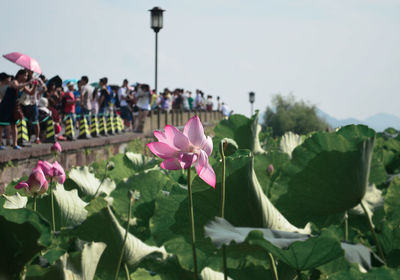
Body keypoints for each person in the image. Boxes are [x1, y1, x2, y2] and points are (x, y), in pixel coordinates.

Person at [0, 69, 34, 150]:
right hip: (6, 106)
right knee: (1, 126)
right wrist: (29, 82)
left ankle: (15, 144)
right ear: (19, 75)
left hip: (14, 107)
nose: (26, 77)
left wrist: (34, 85)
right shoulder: (14, 81)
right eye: (25, 75)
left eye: (27, 76)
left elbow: (31, 92)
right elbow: (16, 86)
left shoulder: (23, 85)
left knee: (14, 125)